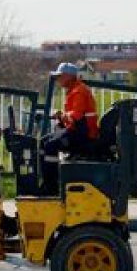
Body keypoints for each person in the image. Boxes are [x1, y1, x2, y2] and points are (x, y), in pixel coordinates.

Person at [40, 62, 99, 194]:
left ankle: (51, 188)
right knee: (43, 142)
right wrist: (62, 117)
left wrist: (61, 115)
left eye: (60, 76)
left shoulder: (79, 91)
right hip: (77, 130)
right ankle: (47, 183)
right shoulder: (74, 90)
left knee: (50, 145)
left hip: (84, 135)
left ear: (68, 76)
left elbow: (76, 116)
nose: (58, 79)